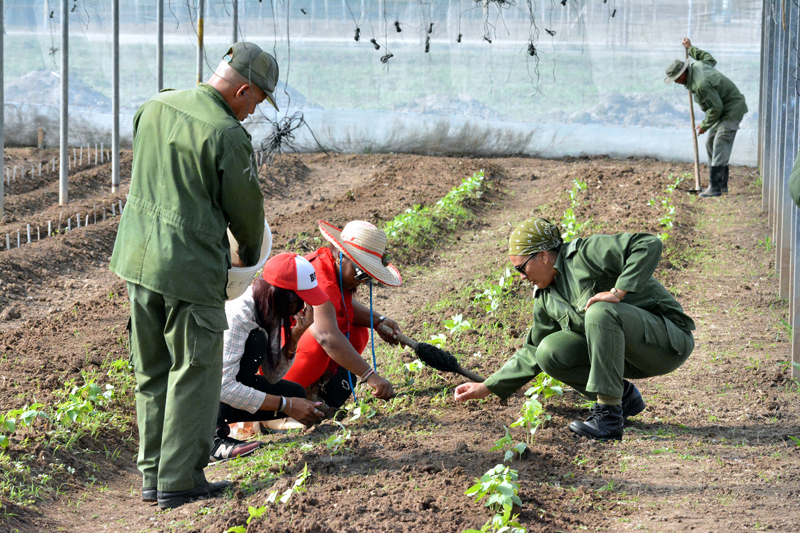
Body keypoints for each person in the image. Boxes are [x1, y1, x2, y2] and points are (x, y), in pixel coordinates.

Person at [109, 42, 279, 510]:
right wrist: (246, 259)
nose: (252, 112)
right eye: (256, 101)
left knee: (152, 370)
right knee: (194, 373)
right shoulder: (227, 134)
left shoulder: (154, 105)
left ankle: (153, 475)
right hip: (189, 269)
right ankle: (180, 480)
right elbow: (247, 216)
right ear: (242, 90)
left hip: (138, 261)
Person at [454, 218, 696, 441]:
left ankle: (609, 417)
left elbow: (648, 244)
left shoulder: (585, 255)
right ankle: (623, 398)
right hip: (627, 354)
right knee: (549, 351)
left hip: (666, 343)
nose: (521, 277)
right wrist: (487, 387)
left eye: (521, 268)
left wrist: (618, 292)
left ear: (543, 256)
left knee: (600, 311)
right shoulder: (546, 296)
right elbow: (532, 350)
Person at [212, 253, 329, 461]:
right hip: (209, 391)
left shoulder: (268, 307)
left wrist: (294, 337)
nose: (303, 306)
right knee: (256, 341)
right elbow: (224, 386)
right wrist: (286, 405)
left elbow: (272, 375)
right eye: (300, 299)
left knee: (295, 392)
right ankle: (212, 438)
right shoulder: (240, 314)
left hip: (229, 387)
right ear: (282, 295)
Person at [281, 221, 403, 414]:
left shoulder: (328, 264)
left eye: (368, 276)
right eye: (361, 273)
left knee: (357, 332)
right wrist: (370, 376)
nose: (362, 281)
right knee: (319, 343)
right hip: (271, 365)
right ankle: (288, 402)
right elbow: (326, 336)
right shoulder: (321, 279)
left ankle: (314, 391)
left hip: (283, 353)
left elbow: (337, 303)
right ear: (340, 255)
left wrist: (378, 321)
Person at [665, 37, 748, 198]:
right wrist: (691, 48)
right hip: (722, 110)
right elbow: (710, 59)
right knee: (710, 142)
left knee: (720, 143)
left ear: (682, 75)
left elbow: (716, 108)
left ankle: (715, 188)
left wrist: (704, 125)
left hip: (732, 110)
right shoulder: (697, 66)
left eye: (676, 79)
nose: (675, 82)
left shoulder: (700, 84)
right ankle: (721, 184)